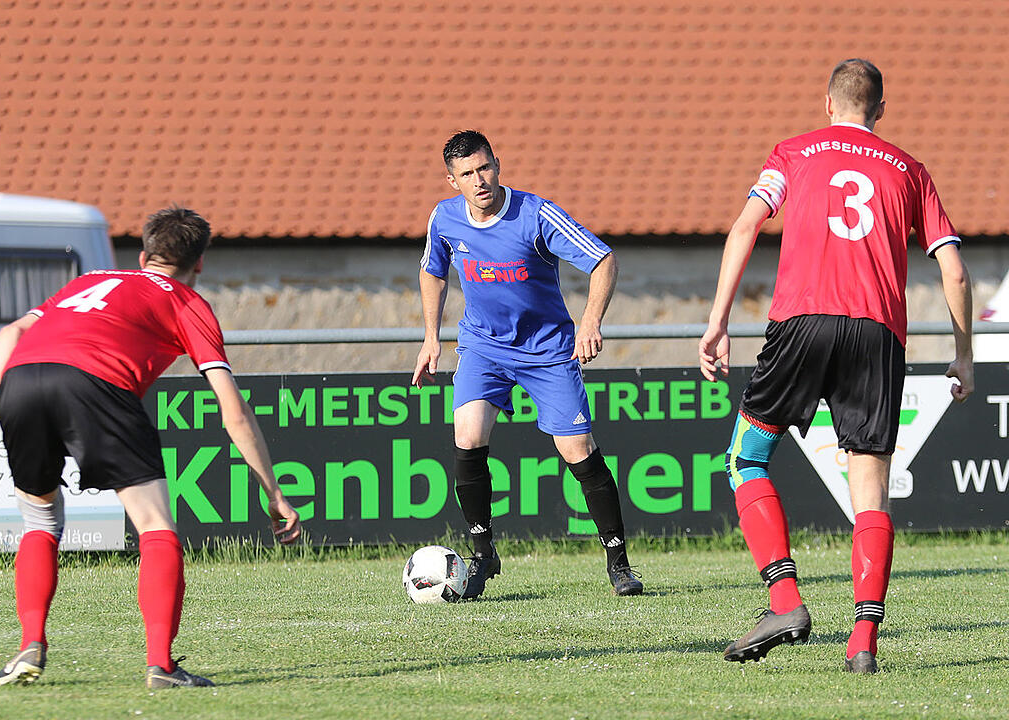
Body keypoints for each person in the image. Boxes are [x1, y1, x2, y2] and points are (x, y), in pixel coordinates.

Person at [699, 59, 973, 674]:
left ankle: (785, 603)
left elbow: (745, 228)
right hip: (878, 335)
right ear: (881, 110)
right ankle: (863, 642)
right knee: (870, 490)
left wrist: (717, 321)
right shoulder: (910, 170)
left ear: (828, 104)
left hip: (802, 322)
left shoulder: (793, 153)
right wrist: (964, 355)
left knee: (745, 459)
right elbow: (954, 270)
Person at [0, 207, 302, 689]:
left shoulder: (89, 280)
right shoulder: (187, 301)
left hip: (20, 380)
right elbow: (234, 411)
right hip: (97, 382)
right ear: (199, 263)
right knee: (155, 525)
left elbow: (11, 332)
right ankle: (161, 666)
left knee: (40, 519)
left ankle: (30, 644)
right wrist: (273, 492)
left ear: (143, 256)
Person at [413, 130, 642, 599]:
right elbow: (432, 271)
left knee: (577, 450)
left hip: (547, 350)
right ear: (452, 180)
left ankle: (619, 563)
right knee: (467, 437)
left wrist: (590, 322)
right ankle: (483, 554)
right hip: (483, 347)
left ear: (497, 164)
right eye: (467, 174)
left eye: (485, 168)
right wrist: (431, 337)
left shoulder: (535, 214)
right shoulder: (445, 218)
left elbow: (603, 260)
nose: (479, 180)